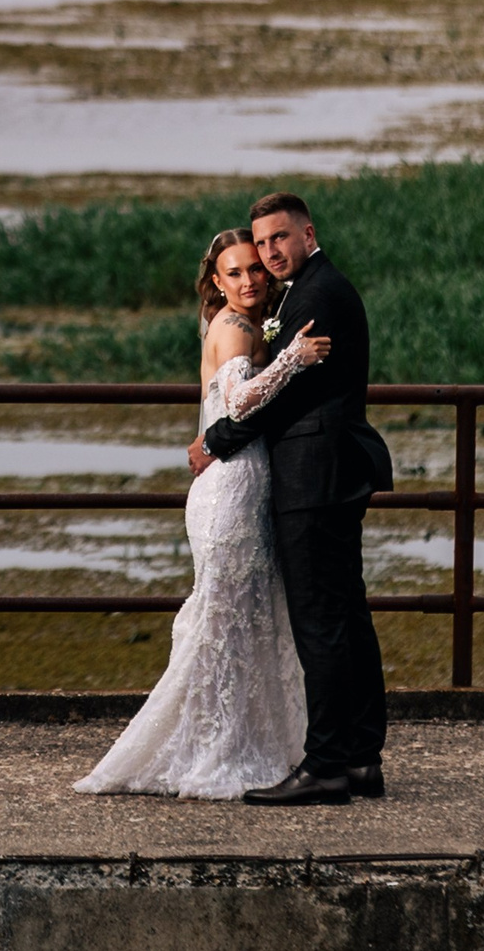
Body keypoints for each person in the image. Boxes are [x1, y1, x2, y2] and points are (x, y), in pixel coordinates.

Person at [75, 229, 327, 798]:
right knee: (222, 623)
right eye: (234, 273)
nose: (249, 280)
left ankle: (237, 739)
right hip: (230, 494)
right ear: (216, 282)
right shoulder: (233, 328)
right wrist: (294, 357)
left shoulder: (251, 323)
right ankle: (210, 750)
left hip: (244, 481)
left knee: (244, 623)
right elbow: (238, 402)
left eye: (254, 269)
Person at [191, 191, 394, 806]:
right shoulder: (310, 291)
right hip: (325, 472)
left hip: (315, 475)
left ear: (308, 232)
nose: (272, 253)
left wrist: (215, 441)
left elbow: (279, 396)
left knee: (323, 624)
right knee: (346, 617)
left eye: (280, 239)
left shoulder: (316, 295)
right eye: (263, 243)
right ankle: (359, 759)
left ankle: (329, 764)